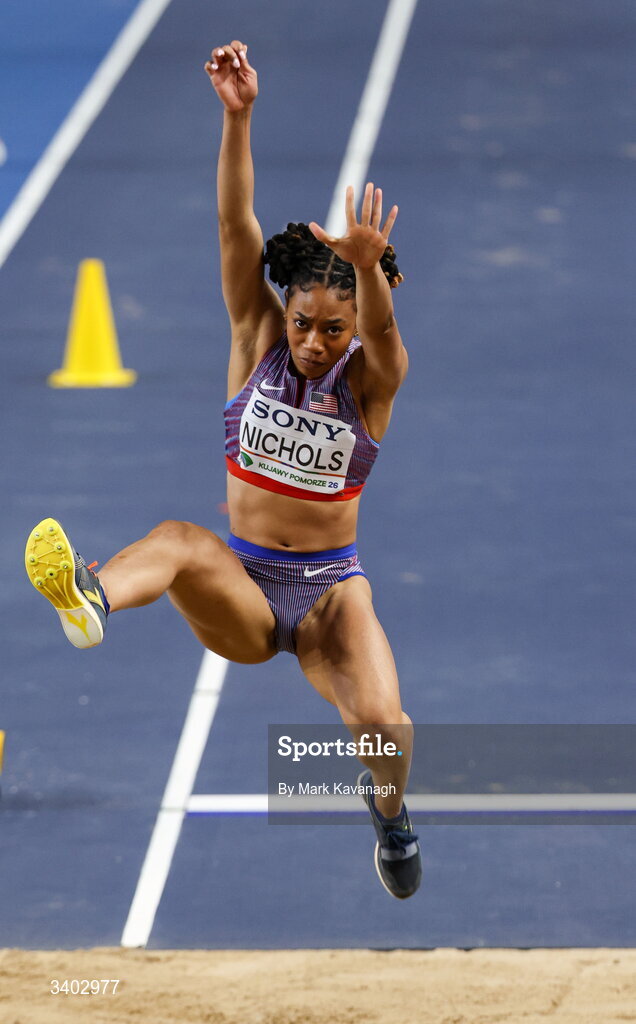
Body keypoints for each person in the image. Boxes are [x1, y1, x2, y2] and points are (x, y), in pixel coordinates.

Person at [24, 40, 421, 899]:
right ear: (287, 308)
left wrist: (364, 268)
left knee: (385, 726)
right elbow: (233, 225)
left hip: (328, 591)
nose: (314, 343)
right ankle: (89, 596)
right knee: (177, 539)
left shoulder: (372, 382)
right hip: (244, 583)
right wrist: (237, 118)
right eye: (305, 322)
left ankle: (390, 822)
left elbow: (385, 334)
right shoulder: (257, 339)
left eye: (333, 330)